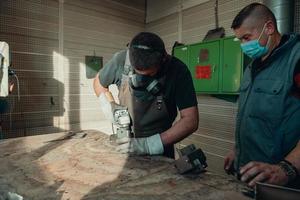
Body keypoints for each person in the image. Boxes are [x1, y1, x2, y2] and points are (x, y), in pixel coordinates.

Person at [224, 3, 300, 189]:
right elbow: (251, 115)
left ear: (269, 28)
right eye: (240, 40)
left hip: (282, 183)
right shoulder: (252, 67)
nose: (243, 45)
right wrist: (238, 148)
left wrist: (287, 169)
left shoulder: (296, 59)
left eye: (246, 38)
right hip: (249, 176)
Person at [93, 32, 199, 158]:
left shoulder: (178, 70)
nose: (141, 80)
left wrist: (149, 145)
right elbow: (98, 83)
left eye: (149, 75)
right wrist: (109, 105)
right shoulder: (121, 60)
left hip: (160, 144)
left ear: (163, 59)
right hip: (125, 138)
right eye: (137, 73)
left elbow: (190, 120)